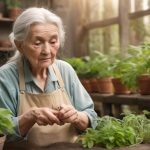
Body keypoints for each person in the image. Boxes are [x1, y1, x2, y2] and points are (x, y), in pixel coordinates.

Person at [0, 7, 97, 149]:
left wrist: (76, 116)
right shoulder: (5, 76)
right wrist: (30, 117)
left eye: (53, 42)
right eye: (37, 43)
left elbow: (91, 117)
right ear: (19, 45)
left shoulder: (65, 70)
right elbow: (3, 130)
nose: (47, 51)